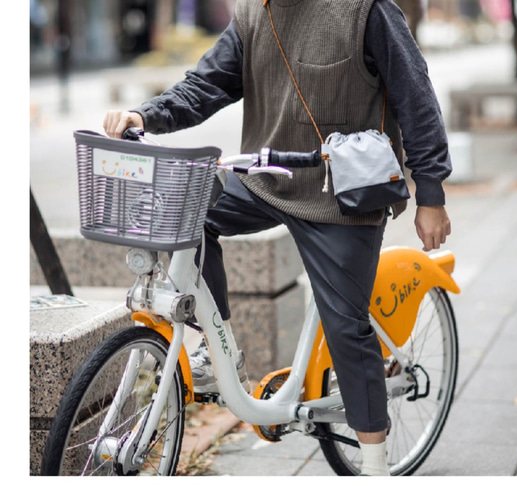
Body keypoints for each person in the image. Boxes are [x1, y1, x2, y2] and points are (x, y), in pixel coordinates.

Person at [104, 0, 452, 476]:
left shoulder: (365, 10)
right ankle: (213, 349)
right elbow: (207, 84)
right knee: (189, 215)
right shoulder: (253, 13)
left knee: (347, 329)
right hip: (267, 180)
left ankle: (373, 464)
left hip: (343, 195)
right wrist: (145, 115)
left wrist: (430, 193)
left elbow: (417, 97)